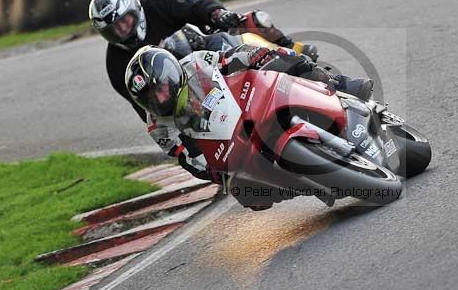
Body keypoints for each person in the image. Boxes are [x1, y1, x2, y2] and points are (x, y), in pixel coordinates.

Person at [124, 45, 374, 210]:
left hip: (243, 104)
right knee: (244, 191)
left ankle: (340, 85)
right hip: (227, 143)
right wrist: (215, 172)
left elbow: (230, 58)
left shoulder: (194, 63)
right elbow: (189, 158)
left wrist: (255, 56)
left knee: (285, 60)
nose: (159, 98)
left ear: (169, 73)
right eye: (150, 97)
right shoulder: (158, 127)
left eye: (159, 88)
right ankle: (307, 185)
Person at [88, 0, 315, 121]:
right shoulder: (116, 66)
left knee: (252, 21)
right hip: (185, 91)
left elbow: (195, 5)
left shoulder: (158, 5)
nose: (123, 30)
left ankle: (292, 52)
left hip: (210, 48)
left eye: (125, 21)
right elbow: (146, 109)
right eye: (114, 29)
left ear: (134, 10)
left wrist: (217, 14)